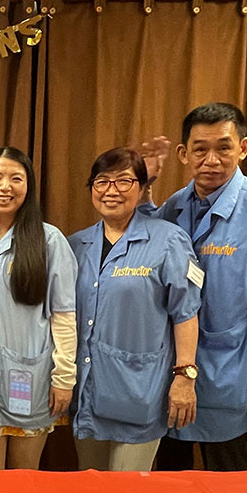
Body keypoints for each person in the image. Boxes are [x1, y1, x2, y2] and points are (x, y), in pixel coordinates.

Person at [141, 103, 247, 471]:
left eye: (223, 147)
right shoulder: (175, 206)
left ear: (243, 148)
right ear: (184, 154)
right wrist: (145, 186)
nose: (211, 160)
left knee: (231, 485)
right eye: (200, 149)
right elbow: (144, 241)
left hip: (229, 378)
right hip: (171, 377)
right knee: (169, 486)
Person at [67, 148, 201, 471]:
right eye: (102, 181)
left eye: (124, 181)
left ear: (141, 188)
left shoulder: (168, 241)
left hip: (140, 394)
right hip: (87, 394)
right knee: (90, 489)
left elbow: (185, 313)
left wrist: (185, 378)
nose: (111, 190)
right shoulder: (75, 245)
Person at [0, 146, 78, 470]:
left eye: (16, 178)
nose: (5, 187)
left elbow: (64, 316)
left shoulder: (49, 240)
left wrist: (64, 377)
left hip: (30, 380)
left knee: (24, 481)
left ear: (29, 186)